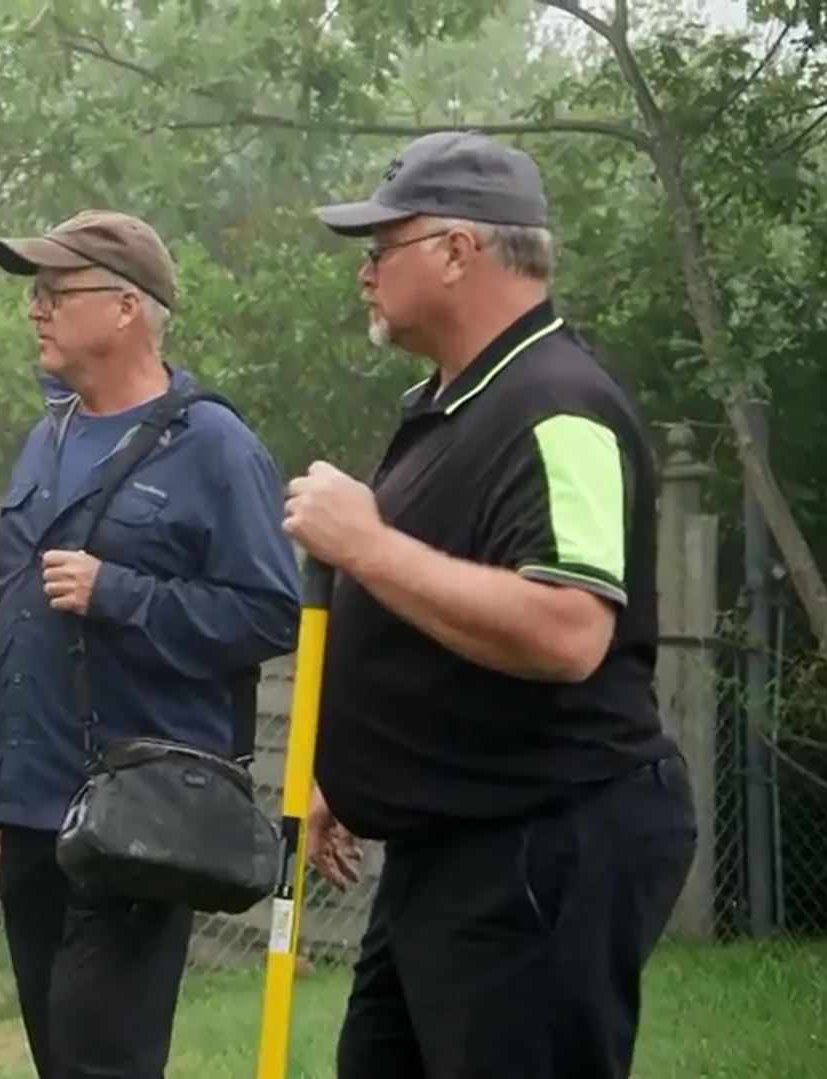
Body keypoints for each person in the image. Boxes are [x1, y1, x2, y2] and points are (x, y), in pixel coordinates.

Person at [282, 130, 699, 1079]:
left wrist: (370, 544)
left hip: (541, 842)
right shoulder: (451, 404)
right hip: (453, 839)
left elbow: (567, 630)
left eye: (382, 246)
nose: (365, 273)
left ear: (459, 251)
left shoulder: (559, 407)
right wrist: (352, 773)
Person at [0, 209, 302, 1078]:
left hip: (143, 810)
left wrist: (119, 591)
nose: (34, 310)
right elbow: (19, 625)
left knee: (100, 1060)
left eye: (54, 292)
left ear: (125, 307)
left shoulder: (213, 446)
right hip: (32, 804)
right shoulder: (47, 439)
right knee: (59, 1056)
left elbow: (268, 612)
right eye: (33, 294)